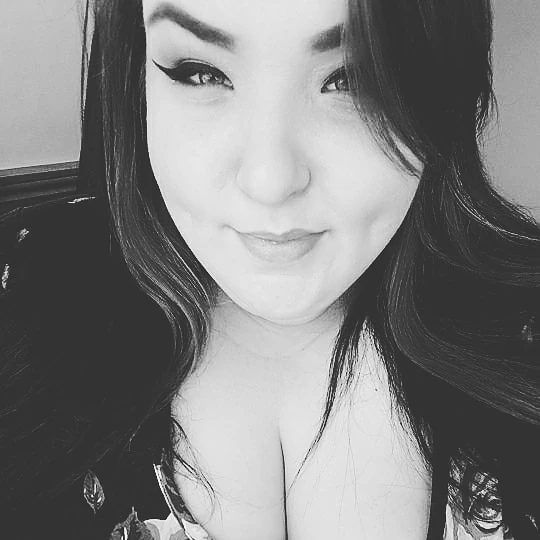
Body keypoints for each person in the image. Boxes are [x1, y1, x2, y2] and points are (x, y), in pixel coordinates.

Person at [1, 0, 539, 538]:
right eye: (200, 72)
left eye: (354, 78)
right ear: (136, 69)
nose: (269, 181)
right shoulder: (23, 286)